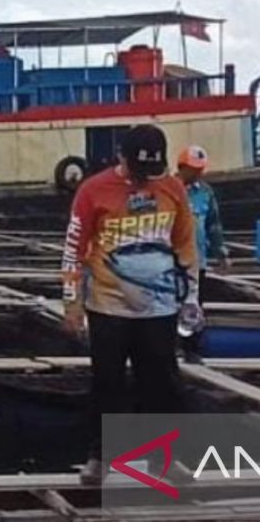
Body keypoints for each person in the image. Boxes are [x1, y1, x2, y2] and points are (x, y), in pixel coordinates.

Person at [61, 124, 198, 486]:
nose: (145, 179)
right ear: (122, 157)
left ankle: (164, 460)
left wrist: (193, 296)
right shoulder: (92, 191)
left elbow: (185, 244)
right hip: (108, 306)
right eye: (139, 170)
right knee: (107, 382)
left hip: (161, 306)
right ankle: (100, 457)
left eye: (151, 171)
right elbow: (73, 249)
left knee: (163, 383)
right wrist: (70, 303)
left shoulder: (172, 188)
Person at [176, 144, 230, 363]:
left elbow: (213, 225)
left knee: (195, 306)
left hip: (198, 261)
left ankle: (192, 349)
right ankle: (171, 348)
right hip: (172, 261)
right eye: (193, 168)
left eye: (200, 168)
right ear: (182, 167)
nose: (198, 173)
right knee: (169, 305)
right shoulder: (168, 190)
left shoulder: (206, 193)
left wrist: (221, 252)